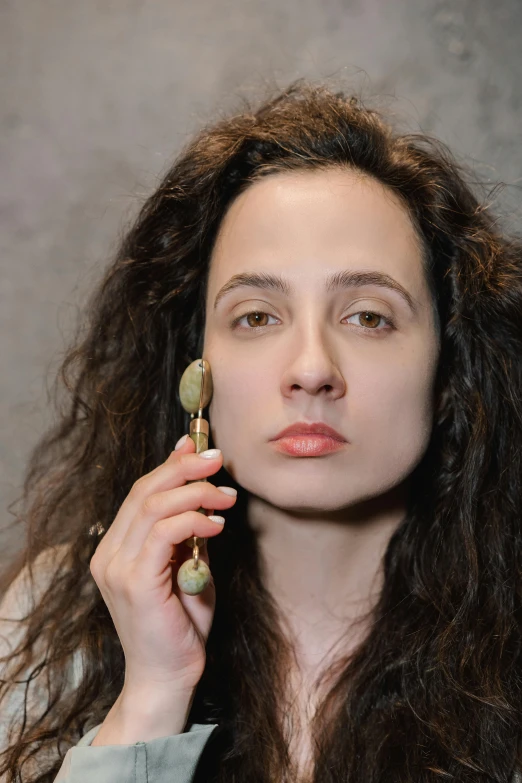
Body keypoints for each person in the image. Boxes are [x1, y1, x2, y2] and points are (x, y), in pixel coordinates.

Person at [1, 78, 522, 783]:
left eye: (368, 315)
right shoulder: (54, 622)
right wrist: (151, 697)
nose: (311, 369)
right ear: (197, 365)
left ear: (449, 366)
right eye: (256, 316)